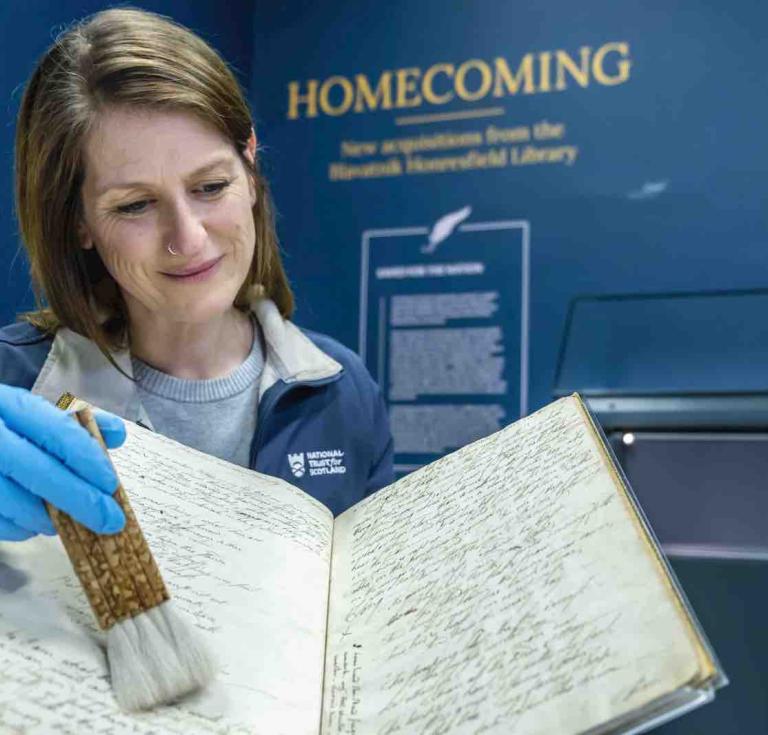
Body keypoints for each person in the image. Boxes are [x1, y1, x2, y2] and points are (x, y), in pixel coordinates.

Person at [0, 8, 393, 542]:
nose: (188, 239)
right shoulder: (11, 382)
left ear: (250, 169)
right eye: (136, 204)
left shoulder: (343, 391)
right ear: (78, 221)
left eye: (210, 187)